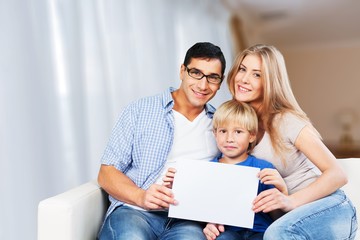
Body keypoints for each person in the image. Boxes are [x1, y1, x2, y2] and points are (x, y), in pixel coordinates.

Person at [226, 43, 358, 239]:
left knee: (276, 233)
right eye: (242, 69)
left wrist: (291, 201)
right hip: (288, 220)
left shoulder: (285, 120)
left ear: (270, 82)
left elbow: (338, 174)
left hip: (329, 208)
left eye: (257, 74)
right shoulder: (237, 127)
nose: (244, 79)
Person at [97, 42, 226, 240]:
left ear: (220, 82)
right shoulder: (140, 110)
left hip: (187, 221)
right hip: (134, 212)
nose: (202, 85)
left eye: (212, 77)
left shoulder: (221, 125)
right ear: (182, 71)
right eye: (196, 73)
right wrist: (142, 196)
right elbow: (106, 174)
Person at [164, 100, 287, 240]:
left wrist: (282, 191)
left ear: (252, 135)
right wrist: (177, 187)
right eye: (223, 131)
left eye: (238, 132)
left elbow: (277, 217)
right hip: (226, 232)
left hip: (260, 231)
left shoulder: (264, 169)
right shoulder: (206, 170)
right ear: (215, 134)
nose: (229, 139)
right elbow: (200, 210)